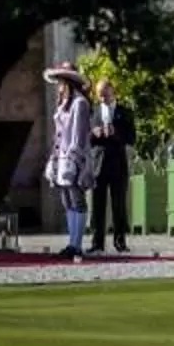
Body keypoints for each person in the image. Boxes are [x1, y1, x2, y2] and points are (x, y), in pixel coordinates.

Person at [44, 62, 94, 262]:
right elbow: (59, 134)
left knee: (77, 200)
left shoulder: (79, 103)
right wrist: (54, 158)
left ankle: (77, 245)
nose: (58, 85)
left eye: (61, 82)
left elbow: (78, 134)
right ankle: (72, 243)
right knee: (67, 201)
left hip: (73, 158)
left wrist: (73, 158)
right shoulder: (63, 103)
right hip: (61, 156)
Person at [87, 76, 139, 256]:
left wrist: (115, 133)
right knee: (97, 206)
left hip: (117, 164)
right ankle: (97, 243)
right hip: (98, 164)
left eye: (106, 96)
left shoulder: (124, 112)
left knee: (119, 205)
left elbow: (131, 138)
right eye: (100, 96)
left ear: (113, 93)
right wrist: (94, 133)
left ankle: (120, 241)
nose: (103, 99)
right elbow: (86, 138)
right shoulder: (93, 112)